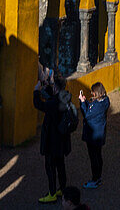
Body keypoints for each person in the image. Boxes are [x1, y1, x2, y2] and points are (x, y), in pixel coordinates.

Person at [34, 67, 77, 204]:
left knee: (50, 166)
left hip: (52, 140)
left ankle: (52, 193)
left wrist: (36, 91)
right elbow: (52, 98)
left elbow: (39, 104)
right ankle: (62, 188)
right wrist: (47, 87)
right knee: (60, 164)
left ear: (56, 87)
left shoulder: (53, 103)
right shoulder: (64, 98)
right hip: (62, 140)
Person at [79, 81, 110, 190]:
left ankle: (95, 179)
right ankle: (98, 176)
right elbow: (92, 108)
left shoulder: (97, 106)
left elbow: (87, 115)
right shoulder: (105, 101)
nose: (91, 94)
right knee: (98, 155)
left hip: (93, 136)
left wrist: (82, 102)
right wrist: (87, 102)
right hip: (100, 133)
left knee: (94, 158)